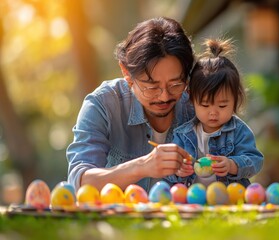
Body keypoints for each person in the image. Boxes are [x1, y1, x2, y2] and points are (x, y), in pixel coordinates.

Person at [66, 17, 195, 192]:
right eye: (151, 86)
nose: (164, 96)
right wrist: (141, 166)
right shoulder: (103, 105)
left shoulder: (198, 105)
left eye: (175, 84)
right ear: (126, 73)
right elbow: (78, 182)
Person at [166, 38, 263, 188]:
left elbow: (255, 161)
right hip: (193, 200)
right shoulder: (182, 134)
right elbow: (169, 169)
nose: (213, 113)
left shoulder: (239, 131)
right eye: (205, 105)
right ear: (192, 99)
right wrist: (178, 170)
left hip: (228, 198)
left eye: (222, 105)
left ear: (235, 100)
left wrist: (232, 165)